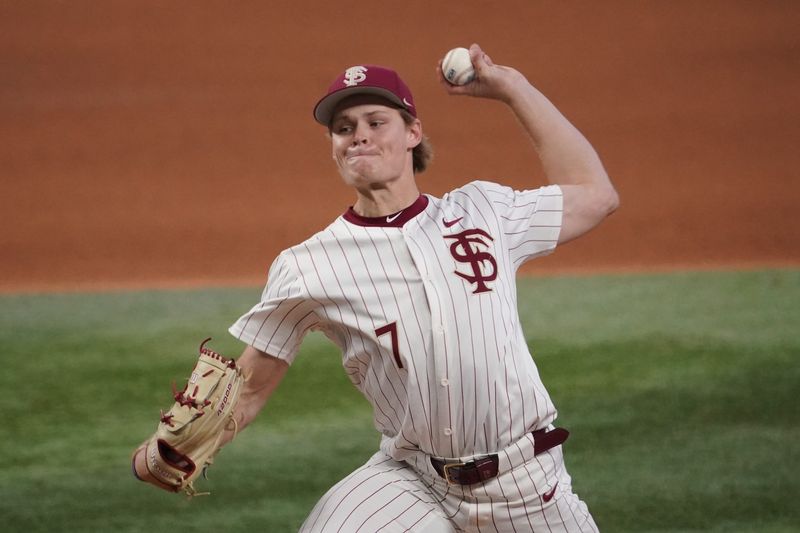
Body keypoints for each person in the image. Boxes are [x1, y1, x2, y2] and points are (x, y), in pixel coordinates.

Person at [136, 43, 618, 532]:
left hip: (528, 485)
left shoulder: (484, 211)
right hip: (414, 482)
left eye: (374, 122)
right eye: (343, 129)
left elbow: (595, 195)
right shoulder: (309, 266)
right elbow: (250, 388)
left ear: (413, 132)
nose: (357, 137)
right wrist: (175, 448)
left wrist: (514, 88)